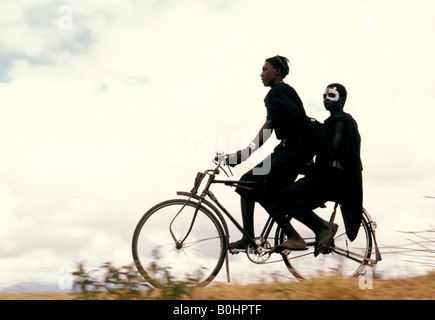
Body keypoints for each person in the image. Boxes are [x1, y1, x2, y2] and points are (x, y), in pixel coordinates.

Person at [226, 55, 313, 251]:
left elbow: (269, 126)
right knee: (245, 182)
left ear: (277, 71)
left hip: (290, 152)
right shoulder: (282, 92)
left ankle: (294, 236)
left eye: (265, 69)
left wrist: (244, 154)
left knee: (263, 190)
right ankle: (248, 237)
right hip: (284, 151)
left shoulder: (279, 91)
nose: (261, 74)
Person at [277, 83, 363, 255]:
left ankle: (323, 228)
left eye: (331, 95)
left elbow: (332, 150)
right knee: (288, 194)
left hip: (332, 177)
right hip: (326, 175)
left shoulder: (342, 121)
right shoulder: (332, 123)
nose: (326, 99)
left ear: (343, 99)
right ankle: (321, 228)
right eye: (324, 96)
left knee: (286, 197)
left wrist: (316, 132)